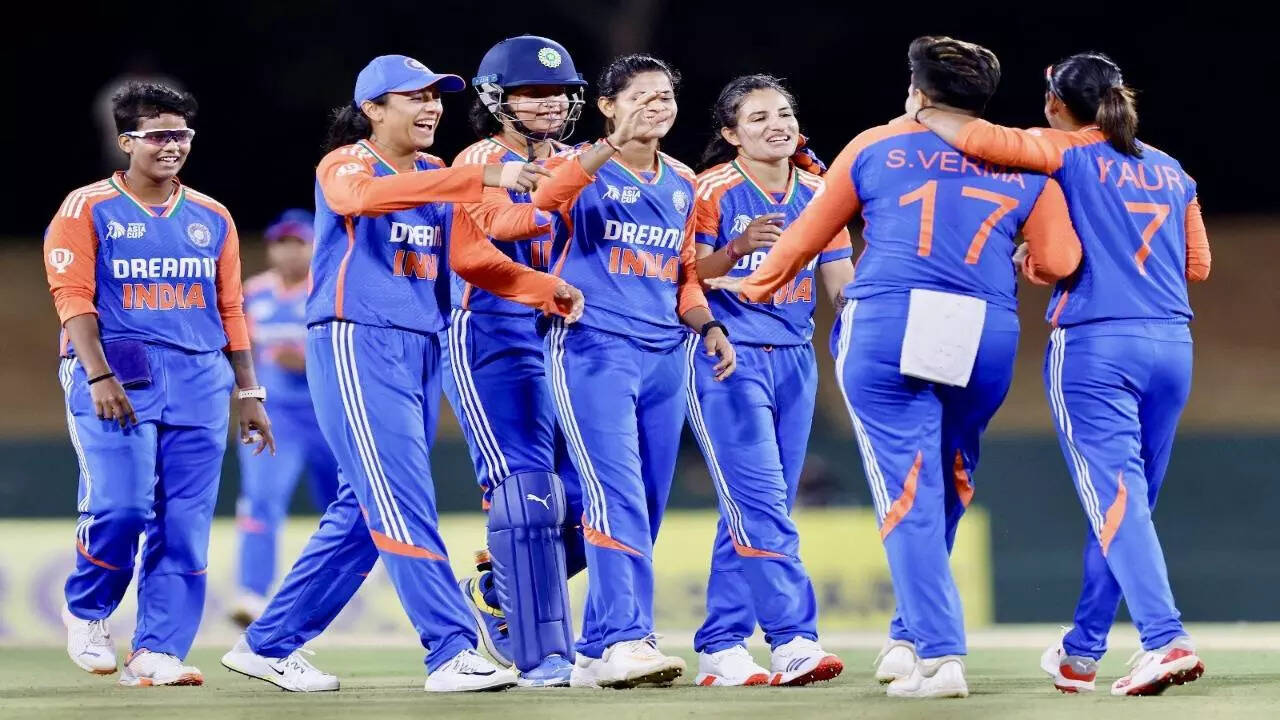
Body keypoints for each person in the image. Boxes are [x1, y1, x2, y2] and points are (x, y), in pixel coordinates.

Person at [710, 36, 1081, 698]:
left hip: (889, 321)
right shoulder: (1027, 159)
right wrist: (1023, 258)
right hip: (982, 327)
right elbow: (1060, 261)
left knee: (906, 491)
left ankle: (938, 657)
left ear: (918, 91)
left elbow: (807, 235)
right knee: (950, 479)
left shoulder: (875, 145)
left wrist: (755, 284)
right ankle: (909, 635)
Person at [219, 54, 583, 694]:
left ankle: (268, 643)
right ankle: (450, 649)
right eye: (414, 97)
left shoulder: (436, 174)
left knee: (365, 511)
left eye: (436, 98)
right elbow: (358, 199)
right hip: (357, 339)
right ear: (373, 109)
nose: (431, 107)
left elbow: (471, 259)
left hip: (421, 346)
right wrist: (485, 175)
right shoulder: (348, 163)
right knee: (402, 497)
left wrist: (541, 287)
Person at [912, 50, 1211, 697]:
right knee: (1127, 506)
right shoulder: (1172, 170)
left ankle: (1165, 640)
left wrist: (927, 108)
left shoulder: (1061, 150)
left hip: (1096, 346)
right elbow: (1198, 266)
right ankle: (1082, 652)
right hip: (1172, 347)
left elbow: (979, 138)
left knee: (1117, 502)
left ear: (1056, 103)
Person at [46, 81, 275, 687]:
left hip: (200, 375)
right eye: (158, 135)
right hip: (118, 370)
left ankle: (157, 651)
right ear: (127, 141)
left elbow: (230, 308)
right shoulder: (87, 206)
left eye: (182, 135)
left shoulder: (212, 215)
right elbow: (72, 298)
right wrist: (98, 373)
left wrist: (249, 392)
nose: (172, 145)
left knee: (184, 523)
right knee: (121, 507)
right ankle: (87, 611)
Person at [530, 53, 736, 689]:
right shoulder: (578, 164)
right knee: (613, 492)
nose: (655, 105)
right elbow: (541, 202)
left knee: (647, 502)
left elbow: (684, 274)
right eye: (639, 96)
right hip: (593, 347)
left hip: (666, 353)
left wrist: (708, 325)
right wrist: (608, 146)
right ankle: (628, 637)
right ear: (607, 106)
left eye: (664, 95)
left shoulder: (682, 180)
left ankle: (595, 649)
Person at [686, 74, 849, 687]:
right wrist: (735, 250)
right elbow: (682, 275)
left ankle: (722, 645)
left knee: (759, 504)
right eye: (757, 118)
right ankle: (793, 639)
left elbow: (840, 282)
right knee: (759, 499)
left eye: (783, 113)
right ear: (731, 134)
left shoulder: (821, 193)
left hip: (796, 360)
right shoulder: (711, 189)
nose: (776, 124)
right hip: (726, 356)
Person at [444, 35, 588, 687]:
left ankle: (497, 593)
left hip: (566, 336)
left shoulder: (578, 159)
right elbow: (488, 240)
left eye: (559, 92)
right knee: (528, 494)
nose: (550, 103)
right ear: (497, 100)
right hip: (492, 331)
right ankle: (543, 653)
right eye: (532, 92)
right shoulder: (479, 159)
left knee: (592, 496)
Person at [229, 209, 340, 627]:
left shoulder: (328, 288)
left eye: (299, 243)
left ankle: (347, 581)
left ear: (315, 246)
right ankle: (252, 594)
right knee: (260, 499)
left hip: (328, 414)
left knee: (343, 503)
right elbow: (239, 351)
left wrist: (309, 362)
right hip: (276, 418)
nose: (289, 251)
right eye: (281, 243)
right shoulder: (254, 293)